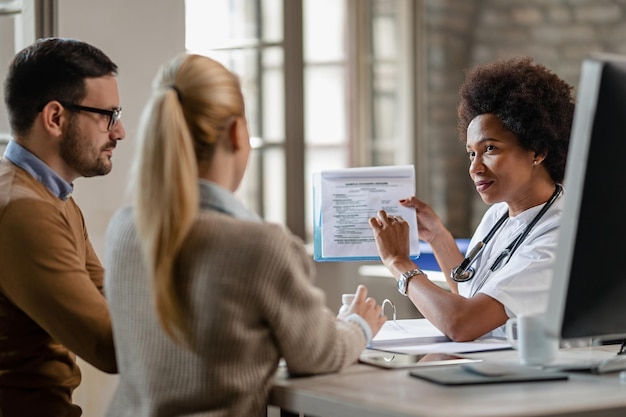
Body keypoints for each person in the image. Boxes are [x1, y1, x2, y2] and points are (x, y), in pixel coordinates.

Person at [104, 53, 386, 417]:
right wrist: (359, 324)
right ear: (238, 132)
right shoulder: (260, 246)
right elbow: (319, 354)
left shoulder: (123, 229)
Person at [369, 57, 575, 342]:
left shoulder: (559, 237)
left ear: (537, 152)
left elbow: (462, 323)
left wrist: (398, 262)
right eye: (471, 153)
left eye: (490, 148)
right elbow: (470, 295)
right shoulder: (499, 215)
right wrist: (439, 238)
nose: (475, 167)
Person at [0, 38, 124, 416]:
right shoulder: (23, 209)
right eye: (108, 115)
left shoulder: (51, 197)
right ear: (55, 118)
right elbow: (111, 345)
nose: (118, 132)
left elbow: (112, 296)